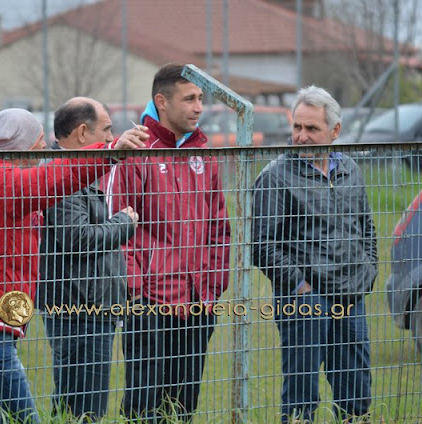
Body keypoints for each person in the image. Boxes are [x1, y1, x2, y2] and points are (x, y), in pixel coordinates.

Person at [0, 108, 144, 424]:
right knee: (23, 419)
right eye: (39, 142)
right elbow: (54, 179)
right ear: (22, 147)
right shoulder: (2, 182)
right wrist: (110, 153)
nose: (44, 149)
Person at [106, 63, 232, 422]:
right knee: (144, 405)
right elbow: (119, 229)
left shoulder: (202, 152)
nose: (198, 108)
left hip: (198, 301)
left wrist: (212, 286)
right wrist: (136, 292)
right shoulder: (137, 150)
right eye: (189, 99)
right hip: (150, 303)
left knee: (183, 406)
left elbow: (219, 226)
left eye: (200, 98)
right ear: (162, 101)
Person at [251, 86, 378, 423]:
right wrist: (301, 287)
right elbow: (262, 246)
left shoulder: (350, 170)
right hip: (305, 300)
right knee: (301, 396)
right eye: (297, 127)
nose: (301, 136)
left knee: (356, 392)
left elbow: (367, 227)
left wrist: (368, 272)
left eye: (311, 128)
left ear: (335, 131)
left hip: (350, 295)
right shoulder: (275, 176)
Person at [37, 97, 146, 420]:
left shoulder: (75, 172)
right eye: (106, 130)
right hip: (80, 309)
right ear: (83, 133)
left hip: (89, 305)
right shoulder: (61, 175)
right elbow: (78, 238)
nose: (111, 137)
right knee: (83, 409)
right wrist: (124, 223)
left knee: (79, 403)